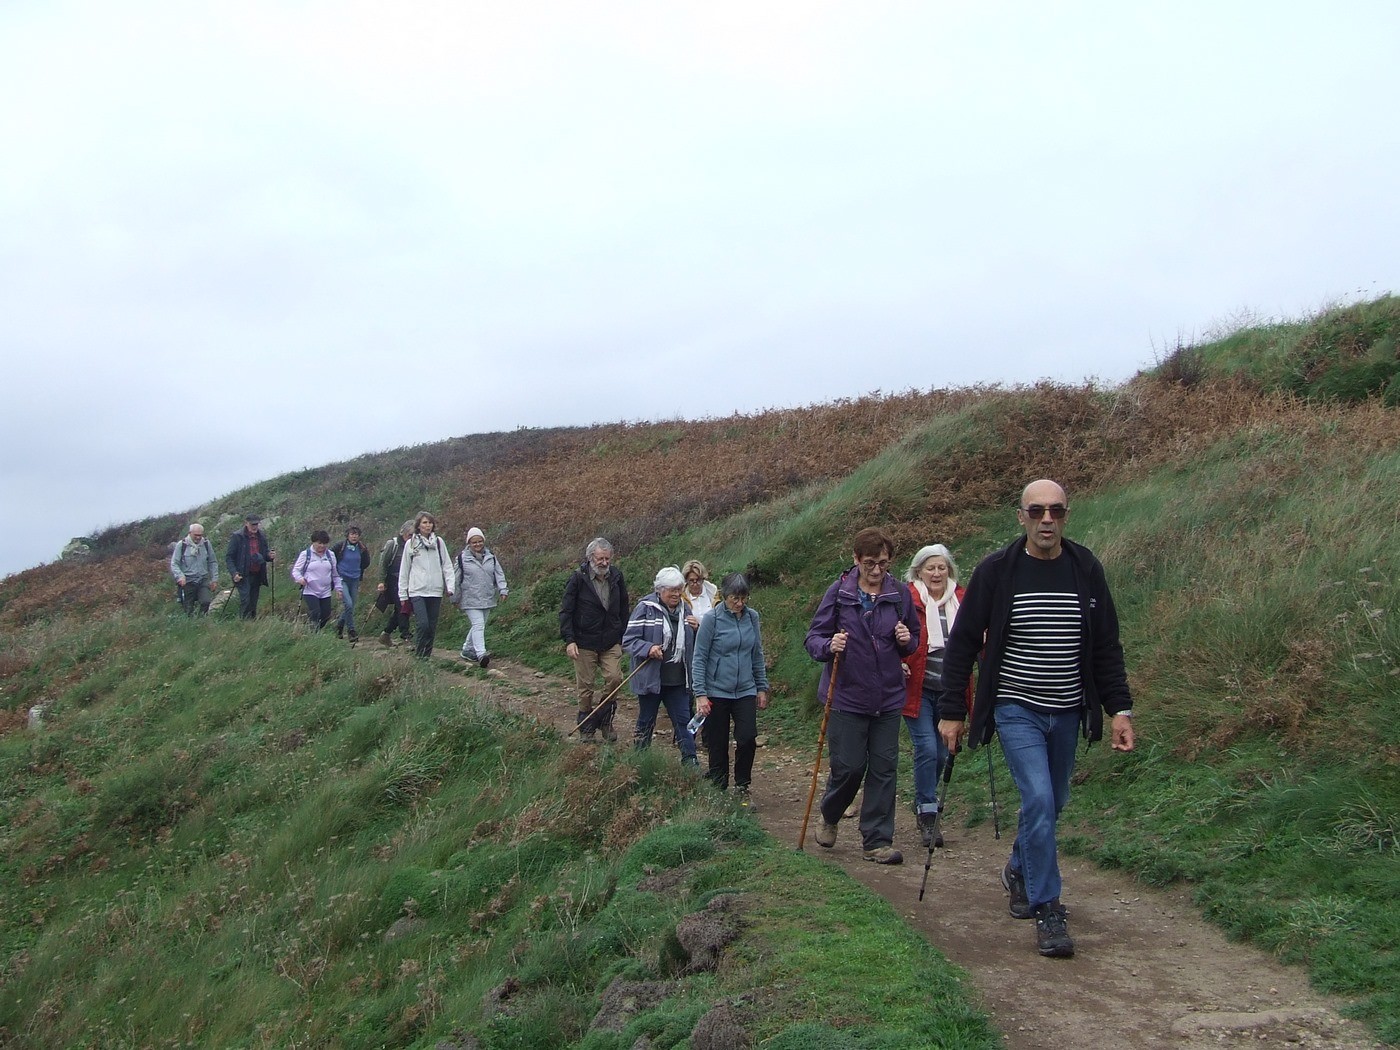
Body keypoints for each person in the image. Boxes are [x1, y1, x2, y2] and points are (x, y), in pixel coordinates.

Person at [939, 479, 1135, 958]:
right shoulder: (998, 571)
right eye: (1037, 511)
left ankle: (1019, 868)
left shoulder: (1085, 568)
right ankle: (1048, 908)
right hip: (1015, 708)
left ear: (1066, 515)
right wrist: (952, 712)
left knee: (1055, 801)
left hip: (1067, 710)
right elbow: (963, 643)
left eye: (1056, 511)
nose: (1047, 520)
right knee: (1041, 798)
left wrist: (1119, 710)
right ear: (1021, 517)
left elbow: (1106, 646)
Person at [806, 527, 920, 864]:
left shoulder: (899, 594)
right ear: (856, 560)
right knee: (850, 767)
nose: (876, 570)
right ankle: (830, 814)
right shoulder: (839, 594)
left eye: (883, 563)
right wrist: (829, 645)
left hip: (887, 697)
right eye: (869, 563)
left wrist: (905, 640)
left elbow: (914, 639)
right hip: (846, 696)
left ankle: (877, 840)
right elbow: (813, 638)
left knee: (885, 768)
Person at [902, 543, 968, 848]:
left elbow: (974, 639)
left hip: (950, 693)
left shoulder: (963, 599)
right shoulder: (907, 598)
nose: (937, 573)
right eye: (930, 568)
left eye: (942, 567)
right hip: (916, 690)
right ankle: (927, 813)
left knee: (942, 752)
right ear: (919, 571)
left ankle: (924, 803)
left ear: (949, 570)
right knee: (928, 748)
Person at [692, 572, 769, 799]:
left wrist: (761, 687)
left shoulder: (751, 617)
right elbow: (700, 657)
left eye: (744, 598)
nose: (740, 603)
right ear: (724, 596)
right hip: (716, 690)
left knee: (747, 738)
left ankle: (742, 786)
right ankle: (718, 786)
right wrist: (700, 694)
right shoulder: (711, 620)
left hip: (745, 689)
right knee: (717, 742)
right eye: (735, 598)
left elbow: (756, 654)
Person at [622, 566, 699, 766]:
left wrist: (696, 629)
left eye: (678, 589)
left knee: (683, 720)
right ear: (659, 590)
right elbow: (628, 641)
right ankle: (638, 760)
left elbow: (693, 643)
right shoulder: (645, 608)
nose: (676, 594)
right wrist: (648, 649)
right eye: (671, 590)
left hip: (678, 680)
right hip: (651, 678)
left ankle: (690, 761)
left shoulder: (686, 609)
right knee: (646, 720)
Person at [559, 538, 629, 741]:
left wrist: (623, 635)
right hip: (584, 641)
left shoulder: (616, 577)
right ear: (591, 558)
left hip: (610, 640)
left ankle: (604, 719)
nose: (604, 562)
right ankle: (587, 727)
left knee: (615, 679)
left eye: (607, 558)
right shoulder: (578, 579)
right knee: (586, 686)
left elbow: (624, 607)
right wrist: (569, 640)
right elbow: (566, 610)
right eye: (600, 558)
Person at [397, 511, 454, 659]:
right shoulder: (411, 544)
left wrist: (450, 586)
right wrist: (403, 594)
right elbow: (405, 569)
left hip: (435, 591)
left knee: (432, 627)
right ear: (418, 525)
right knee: (423, 624)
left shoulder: (439, 542)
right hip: (417, 591)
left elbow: (447, 565)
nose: (427, 525)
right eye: (424, 522)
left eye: (430, 522)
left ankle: (426, 657)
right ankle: (418, 654)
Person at [454, 526, 509, 669]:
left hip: (487, 597)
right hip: (469, 599)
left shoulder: (491, 557)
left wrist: (503, 590)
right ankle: (481, 654)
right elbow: (456, 579)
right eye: (474, 542)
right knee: (478, 624)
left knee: (479, 625)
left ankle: (467, 649)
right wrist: (455, 598)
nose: (477, 544)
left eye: (479, 541)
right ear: (469, 543)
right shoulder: (461, 559)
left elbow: (499, 574)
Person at [226, 514, 276, 619]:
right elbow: (229, 557)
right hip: (242, 574)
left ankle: (251, 624)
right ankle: (243, 623)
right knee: (246, 600)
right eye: (252, 524)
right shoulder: (237, 536)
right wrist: (234, 573)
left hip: (257, 573)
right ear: (246, 523)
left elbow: (264, 553)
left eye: (256, 524)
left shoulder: (261, 536)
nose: (255, 527)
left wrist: (269, 556)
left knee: (253, 601)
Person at [292, 530, 343, 629]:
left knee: (326, 615)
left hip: (326, 591)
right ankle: (313, 633)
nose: (322, 546)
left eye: (324, 543)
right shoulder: (305, 554)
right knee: (315, 612)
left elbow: (335, 574)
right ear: (313, 542)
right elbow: (296, 570)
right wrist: (300, 579)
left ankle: (314, 631)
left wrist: (339, 589)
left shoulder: (330, 555)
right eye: (319, 543)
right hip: (310, 590)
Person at [376, 520, 415, 646]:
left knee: (403, 608)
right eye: (409, 535)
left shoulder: (415, 546)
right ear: (402, 533)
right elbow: (383, 564)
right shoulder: (392, 544)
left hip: (409, 581)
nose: (411, 538)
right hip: (393, 580)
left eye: (414, 535)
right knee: (402, 606)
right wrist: (381, 582)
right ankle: (405, 636)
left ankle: (386, 633)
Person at [170, 523, 219, 616]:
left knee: (206, 602)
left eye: (200, 535)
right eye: (195, 535)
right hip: (188, 581)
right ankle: (191, 624)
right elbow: (174, 563)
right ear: (190, 533)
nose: (198, 537)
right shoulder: (182, 545)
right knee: (188, 608)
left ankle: (202, 620)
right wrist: (180, 576)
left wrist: (214, 579)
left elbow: (212, 562)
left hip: (203, 579)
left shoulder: (206, 544)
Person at [331, 525, 370, 642]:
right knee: (348, 604)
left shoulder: (362, 548)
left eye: (356, 534)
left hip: (355, 579)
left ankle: (339, 625)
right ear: (347, 535)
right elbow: (331, 557)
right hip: (341, 578)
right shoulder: (340, 546)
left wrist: (359, 571)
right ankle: (351, 631)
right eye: (352, 534)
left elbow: (366, 562)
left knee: (351, 606)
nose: (354, 536)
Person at [681, 559, 718, 626]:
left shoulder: (712, 593)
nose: (695, 584)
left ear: (703, 579)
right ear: (686, 580)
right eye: (691, 581)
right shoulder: (681, 597)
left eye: (698, 580)